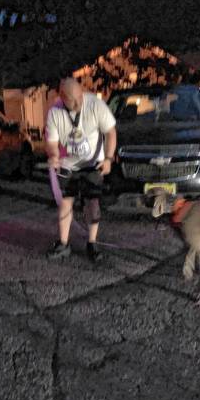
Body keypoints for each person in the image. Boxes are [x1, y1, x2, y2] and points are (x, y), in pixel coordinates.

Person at [45, 78, 117, 263]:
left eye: (79, 97)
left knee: (92, 203)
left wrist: (108, 158)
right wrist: (53, 156)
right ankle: (63, 243)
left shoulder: (95, 105)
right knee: (65, 203)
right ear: (62, 98)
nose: (78, 103)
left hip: (93, 162)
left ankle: (92, 243)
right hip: (68, 164)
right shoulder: (55, 113)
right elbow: (51, 142)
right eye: (72, 100)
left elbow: (110, 132)